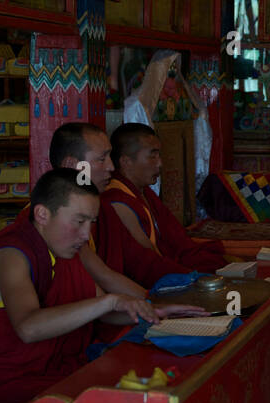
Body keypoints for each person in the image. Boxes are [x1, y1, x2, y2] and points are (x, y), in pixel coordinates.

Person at [0, 169, 204, 403]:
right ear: (42, 214)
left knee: (163, 379)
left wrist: (153, 311)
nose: (86, 234)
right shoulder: (11, 255)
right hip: (11, 390)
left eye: (91, 223)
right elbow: (29, 327)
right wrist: (110, 302)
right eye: (79, 221)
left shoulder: (60, 249)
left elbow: (102, 311)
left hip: (57, 373)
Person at [49, 122, 220, 288]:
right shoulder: (48, 219)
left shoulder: (104, 210)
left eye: (109, 157)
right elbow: (98, 285)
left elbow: (138, 261)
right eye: (102, 159)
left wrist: (190, 283)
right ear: (71, 165)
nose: (110, 166)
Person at [104, 123, 226, 272]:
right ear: (126, 162)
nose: (160, 163)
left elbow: (176, 241)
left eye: (159, 155)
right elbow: (148, 260)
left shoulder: (143, 191)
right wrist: (189, 277)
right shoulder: (117, 200)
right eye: (152, 156)